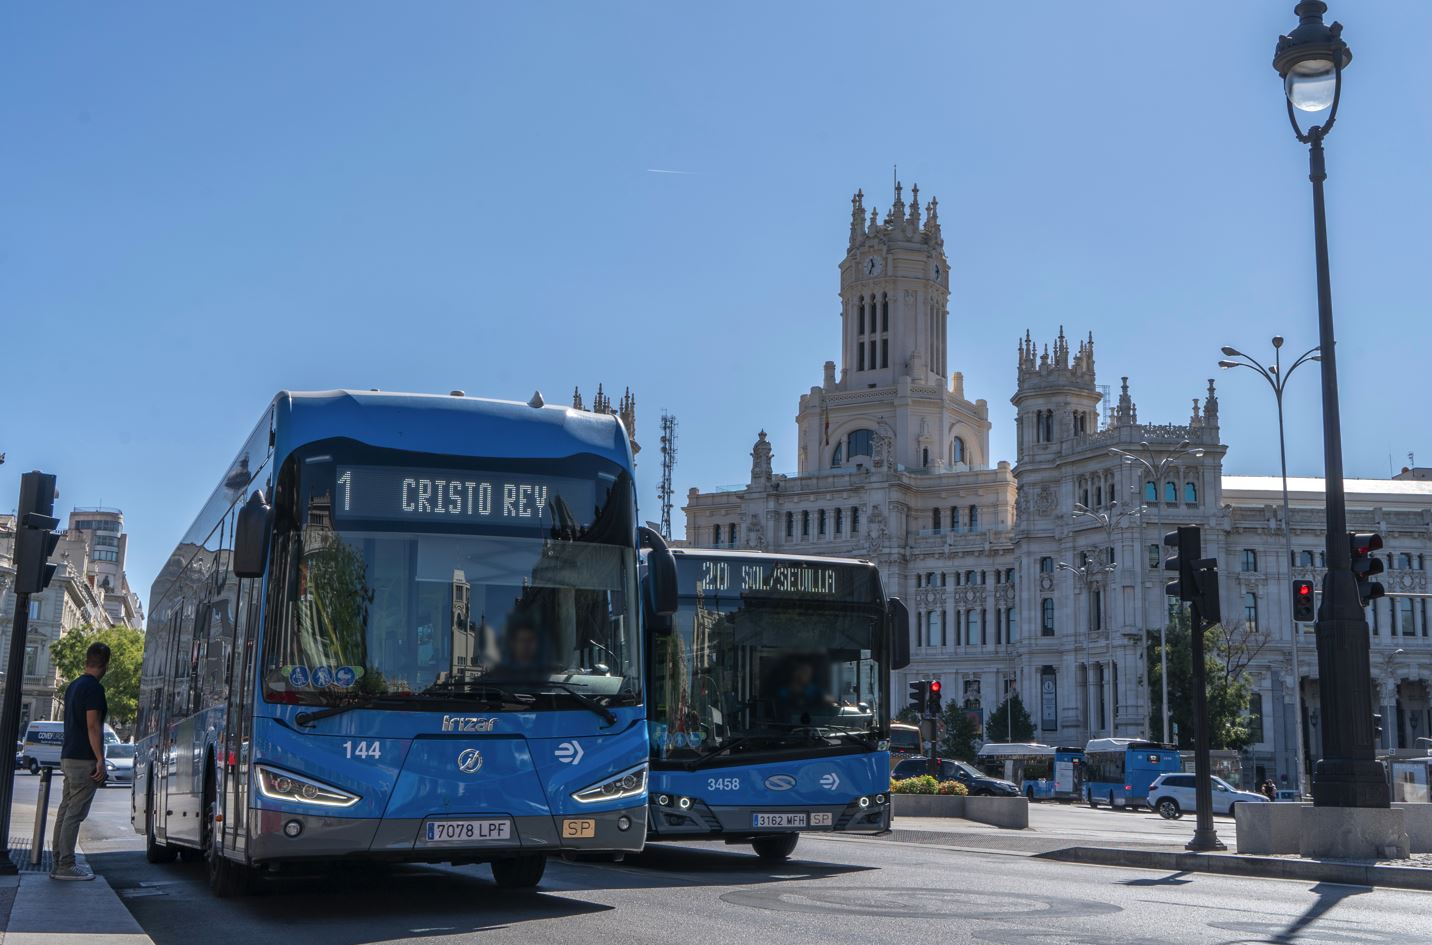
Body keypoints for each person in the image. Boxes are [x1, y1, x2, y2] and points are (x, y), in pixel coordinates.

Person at [51, 641, 110, 881]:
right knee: (74, 814)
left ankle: (57, 862)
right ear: (105, 665)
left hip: (68, 755)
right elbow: (92, 726)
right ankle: (66, 864)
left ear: (87, 661)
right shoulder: (94, 689)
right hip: (84, 759)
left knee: (65, 812)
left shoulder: (73, 685)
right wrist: (100, 759)